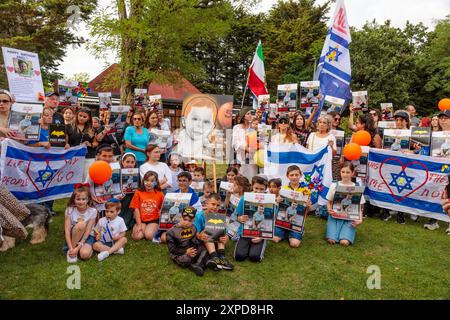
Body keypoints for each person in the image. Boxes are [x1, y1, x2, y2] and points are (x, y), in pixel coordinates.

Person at [326, 162, 364, 246]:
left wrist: (360, 219)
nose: (345, 174)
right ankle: (333, 233)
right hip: (335, 217)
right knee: (331, 240)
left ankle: (346, 234)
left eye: (348, 172)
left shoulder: (357, 187)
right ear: (340, 172)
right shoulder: (334, 185)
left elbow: (360, 206)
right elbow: (328, 201)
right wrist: (329, 209)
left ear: (352, 173)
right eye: (343, 172)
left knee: (344, 242)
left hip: (349, 219)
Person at [194, 193, 234, 271]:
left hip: (216, 241)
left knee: (219, 232)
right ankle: (215, 258)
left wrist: (225, 239)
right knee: (208, 233)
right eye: (213, 204)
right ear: (207, 203)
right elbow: (196, 234)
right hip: (203, 241)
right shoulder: (199, 216)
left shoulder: (219, 216)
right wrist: (203, 233)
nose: (215, 207)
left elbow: (225, 235)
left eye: (218, 205)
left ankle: (222, 257)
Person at [233, 175, 269, 262]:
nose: (258, 191)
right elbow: (236, 215)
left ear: (265, 189)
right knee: (239, 256)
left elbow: (270, 221)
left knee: (255, 257)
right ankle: (244, 243)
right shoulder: (244, 198)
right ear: (252, 186)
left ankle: (261, 242)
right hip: (245, 232)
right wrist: (239, 218)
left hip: (260, 233)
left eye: (261, 189)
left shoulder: (269, 200)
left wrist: (262, 237)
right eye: (256, 188)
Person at [166, 206, 208, 276]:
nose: (186, 223)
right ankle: (201, 263)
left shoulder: (193, 228)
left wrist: (199, 240)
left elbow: (194, 242)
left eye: (190, 221)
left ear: (193, 220)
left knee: (204, 249)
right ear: (180, 217)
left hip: (191, 250)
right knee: (186, 260)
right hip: (180, 253)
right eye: (184, 219)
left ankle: (197, 264)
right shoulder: (171, 232)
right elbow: (172, 249)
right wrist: (185, 251)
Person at [273, 165, 308, 248]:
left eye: (296, 175)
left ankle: (296, 232)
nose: (294, 177)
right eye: (291, 175)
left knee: (294, 244)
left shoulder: (305, 190)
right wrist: (277, 201)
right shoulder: (283, 189)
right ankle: (286, 231)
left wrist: (308, 206)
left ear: (300, 175)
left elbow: (307, 210)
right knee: (275, 239)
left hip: (296, 221)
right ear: (287, 176)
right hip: (283, 220)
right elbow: (278, 206)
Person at [174, 95, 218, 160]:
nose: (200, 125)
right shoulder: (182, 135)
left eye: (206, 122)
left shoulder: (204, 139)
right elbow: (179, 149)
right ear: (184, 121)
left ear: (212, 127)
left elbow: (208, 147)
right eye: (195, 119)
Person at [64, 185, 97, 263]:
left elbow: (88, 231)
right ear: (74, 199)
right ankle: (71, 251)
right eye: (78, 199)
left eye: (83, 199)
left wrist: (78, 247)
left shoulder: (93, 211)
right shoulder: (69, 210)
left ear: (88, 199)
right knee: (81, 224)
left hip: (87, 236)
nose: (81, 202)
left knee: (84, 255)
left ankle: (80, 249)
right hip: (74, 234)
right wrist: (72, 248)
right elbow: (67, 231)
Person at [130, 171, 165, 241]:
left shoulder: (160, 194)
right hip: (141, 220)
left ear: (156, 182)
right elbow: (136, 209)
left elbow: (163, 209)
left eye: (152, 181)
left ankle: (153, 230)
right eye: (147, 180)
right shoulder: (138, 193)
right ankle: (139, 227)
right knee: (136, 237)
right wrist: (139, 225)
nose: (149, 183)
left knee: (148, 236)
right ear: (143, 181)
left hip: (154, 220)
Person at [232, 107, 257, 181]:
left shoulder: (254, 127)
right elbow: (234, 142)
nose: (250, 115)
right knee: (242, 175)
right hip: (241, 156)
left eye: (251, 114)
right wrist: (245, 147)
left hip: (253, 156)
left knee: (252, 176)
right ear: (243, 116)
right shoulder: (237, 128)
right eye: (248, 114)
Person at [119, 153, 138, 229]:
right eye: (127, 162)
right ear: (122, 162)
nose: (130, 164)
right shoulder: (118, 172)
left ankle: (129, 222)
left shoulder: (137, 173)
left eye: (132, 162)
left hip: (132, 195)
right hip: (121, 196)